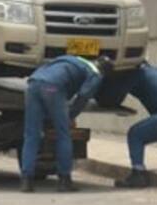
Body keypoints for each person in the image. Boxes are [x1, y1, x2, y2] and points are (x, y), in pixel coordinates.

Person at [20, 54, 114, 193]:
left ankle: (26, 181)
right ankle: (64, 180)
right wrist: (71, 115)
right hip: (52, 88)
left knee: (31, 135)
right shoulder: (95, 74)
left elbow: (48, 67)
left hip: (33, 84)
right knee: (63, 134)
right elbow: (83, 96)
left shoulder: (74, 59)